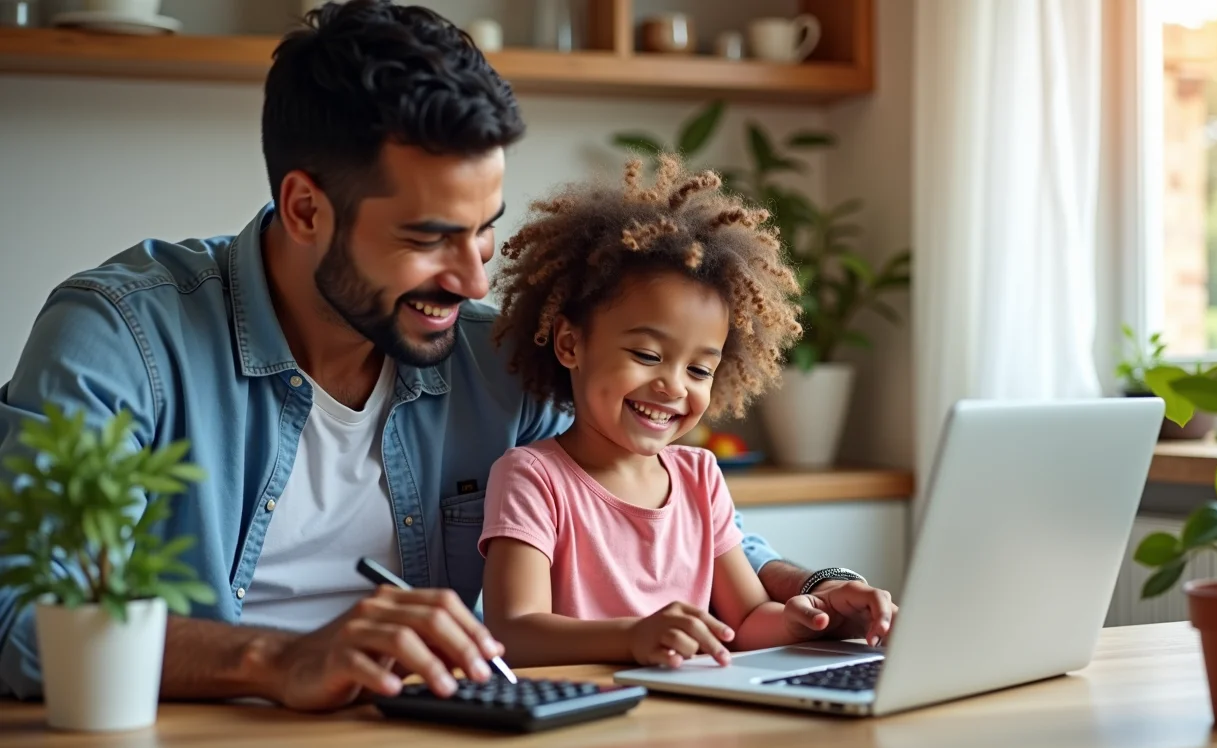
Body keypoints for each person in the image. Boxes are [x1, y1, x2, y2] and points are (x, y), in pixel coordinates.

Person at [0, 0, 894, 709]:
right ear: (306, 208)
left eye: (487, 233)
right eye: (431, 238)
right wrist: (278, 659)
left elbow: (680, 524)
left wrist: (817, 591)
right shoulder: (121, 336)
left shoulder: (496, 360)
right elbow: (18, 614)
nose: (472, 280)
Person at [479, 156, 896, 668]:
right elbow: (515, 632)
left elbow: (745, 621)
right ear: (570, 343)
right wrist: (634, 638)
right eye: (648, 356)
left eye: (699, 371)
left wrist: (800, 619)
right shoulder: (532, 477)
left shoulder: (699, 476)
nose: (672, 386)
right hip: (582, 719)